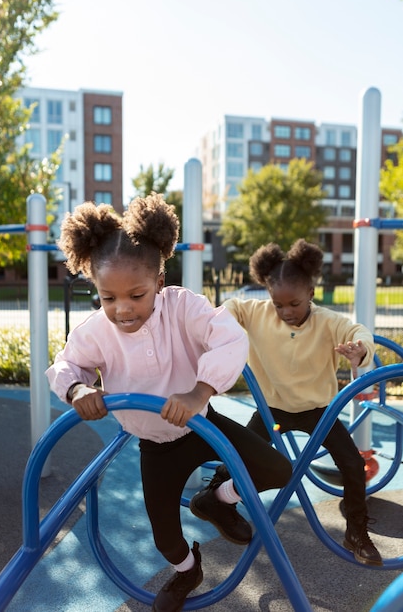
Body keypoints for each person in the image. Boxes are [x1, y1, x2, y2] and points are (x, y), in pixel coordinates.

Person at [46, 193, 292, 612]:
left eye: (137, 295)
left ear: (159, 281)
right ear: (97, 291)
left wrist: (200, 392)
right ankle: (188, 569)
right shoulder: (96, 331)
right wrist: (79, 390)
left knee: (277, 468)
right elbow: (68, 364)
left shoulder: (184, 308)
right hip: (155, 446)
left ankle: (217, 500)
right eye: (108, 298)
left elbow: (230, 337)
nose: (123, 309)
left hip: (203, 425)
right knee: (165, 538)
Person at [221, 238, 382, 567]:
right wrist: (212, 323)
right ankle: (219, 503)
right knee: (235, 455)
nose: (285, 312)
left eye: (294, 303)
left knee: (353, 464)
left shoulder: (326, 322)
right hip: (272, 410)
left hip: (317, 412)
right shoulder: (258, 313)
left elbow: (358, 331)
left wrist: (359, 350)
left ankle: (356, 531)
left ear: (311, 293)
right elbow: (230, 308)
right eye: (278, 304)